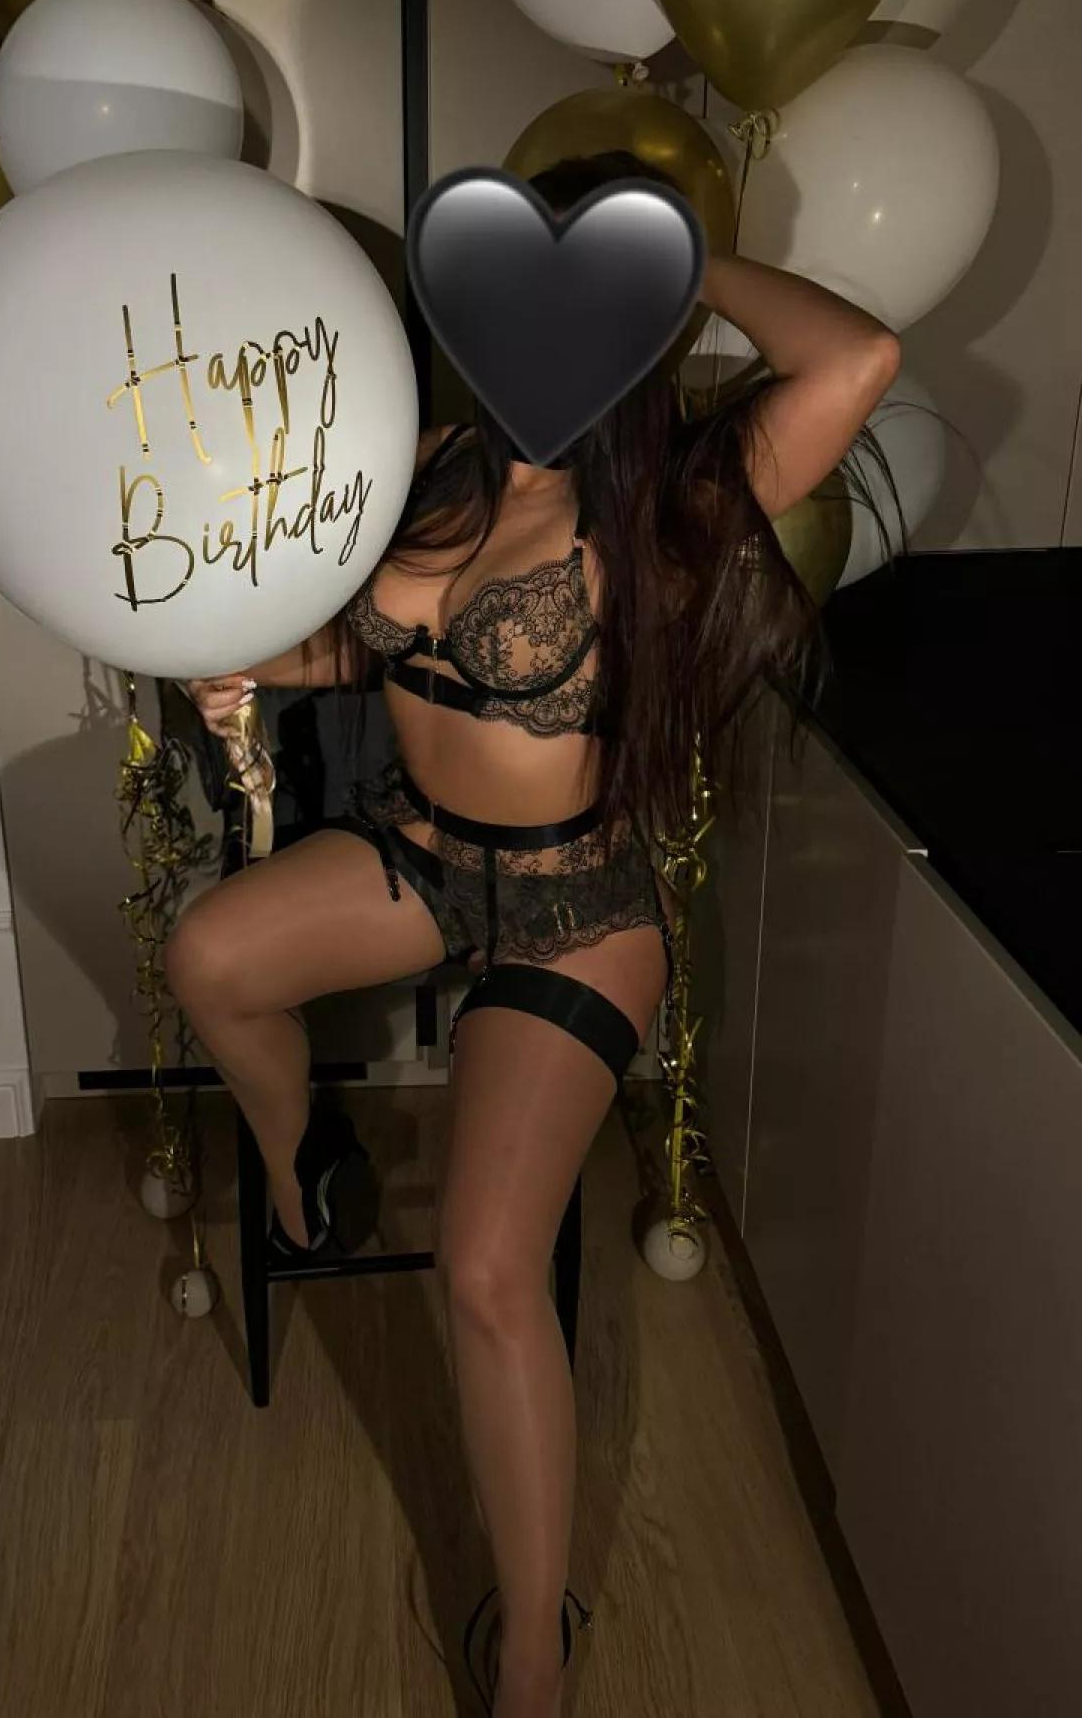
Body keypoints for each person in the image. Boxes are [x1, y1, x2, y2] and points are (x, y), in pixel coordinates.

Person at [166, 151, 900, 1718]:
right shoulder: (433, 461)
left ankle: (532, 1646)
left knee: (491, 1271)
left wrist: (678, 264)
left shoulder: (679, 500)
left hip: (579, 910)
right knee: (210, 959)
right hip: (420, 858)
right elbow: (368, 649)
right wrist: (257, 669)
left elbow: (861, 358)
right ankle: (305, 1167)